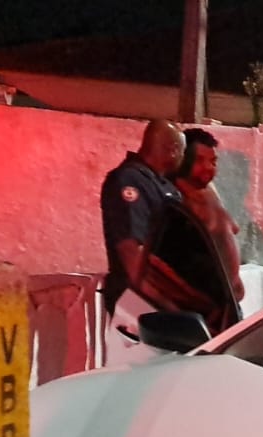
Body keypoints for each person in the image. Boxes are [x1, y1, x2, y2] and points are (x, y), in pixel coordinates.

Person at [100, 118, 209, 363]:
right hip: (139, 306)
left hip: (162, 306)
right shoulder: (129, 182)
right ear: (172, 150)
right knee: (137, 375)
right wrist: (171, 305)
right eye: (182, 151)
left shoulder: (160, 184)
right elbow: (131, 253)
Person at [174, 128, 245, 320]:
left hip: (226, 306)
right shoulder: (176, 200)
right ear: (183, 159)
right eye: (199, 160)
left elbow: (230, 229)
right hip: (200, 312)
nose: (208, 167)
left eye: (213, 161)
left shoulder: (207, 191)